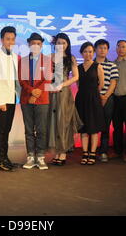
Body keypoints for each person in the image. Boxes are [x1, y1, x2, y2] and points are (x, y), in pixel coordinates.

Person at [47, 33, 82, 166]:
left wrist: (62, 84)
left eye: (64, 43)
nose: (61, 45)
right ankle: (56, 152)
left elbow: (76, 77)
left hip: (64, 93)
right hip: (51, 93)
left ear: (67, 45)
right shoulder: (50, 57)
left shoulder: (71, 58)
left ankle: (63, 153)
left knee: (64, 122)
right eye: (59, 43)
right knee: (54, 123)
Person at [19, 33, 53, 170]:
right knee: (28, 130)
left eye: (38, 44)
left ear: (41, 45)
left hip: (42, 99)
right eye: (33, 43)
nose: (36, 46)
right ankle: (30, 157)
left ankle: (40, 157)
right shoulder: (23, 61)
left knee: (41, 129)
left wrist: (36, 93)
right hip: (26, 99)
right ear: (29, 44)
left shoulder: (47, 60)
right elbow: (21, 80)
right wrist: (31, 91)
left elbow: (48, 79)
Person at [0, 26, 21, 171]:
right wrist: (1, 101)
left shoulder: (14, 56)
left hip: (11, 97)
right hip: (0, 99)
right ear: (2, 40)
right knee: (0, 129)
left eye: (13, 39)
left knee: (7, 129)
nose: (10, 41)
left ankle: (5, 157)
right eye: (7, 39)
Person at [75, 42, 105, 165]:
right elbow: (77, 84)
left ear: (93, 53)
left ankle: (92, 153)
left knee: (93, 128)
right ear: (82, 53)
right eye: (85, 51)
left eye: (90, 51)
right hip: (81, 99)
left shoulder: (98, 66)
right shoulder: (78, 67)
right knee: (84, 128)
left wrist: (93, 93)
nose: (88, 54)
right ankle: (85, 152)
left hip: (94, 99)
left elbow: (101, 84)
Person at [94, 39, 119, 162]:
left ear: (107, 50)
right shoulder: (90, 64)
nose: (102, 50)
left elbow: (113, 83)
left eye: (104, 48)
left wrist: (105, 97)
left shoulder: (112, 65)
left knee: (105, 126)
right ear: (95, 49)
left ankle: (103, 151)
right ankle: (91, 151)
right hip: (93, 99)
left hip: (108, 99)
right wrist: (98, 96)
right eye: (100, 48)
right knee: (91, 125)